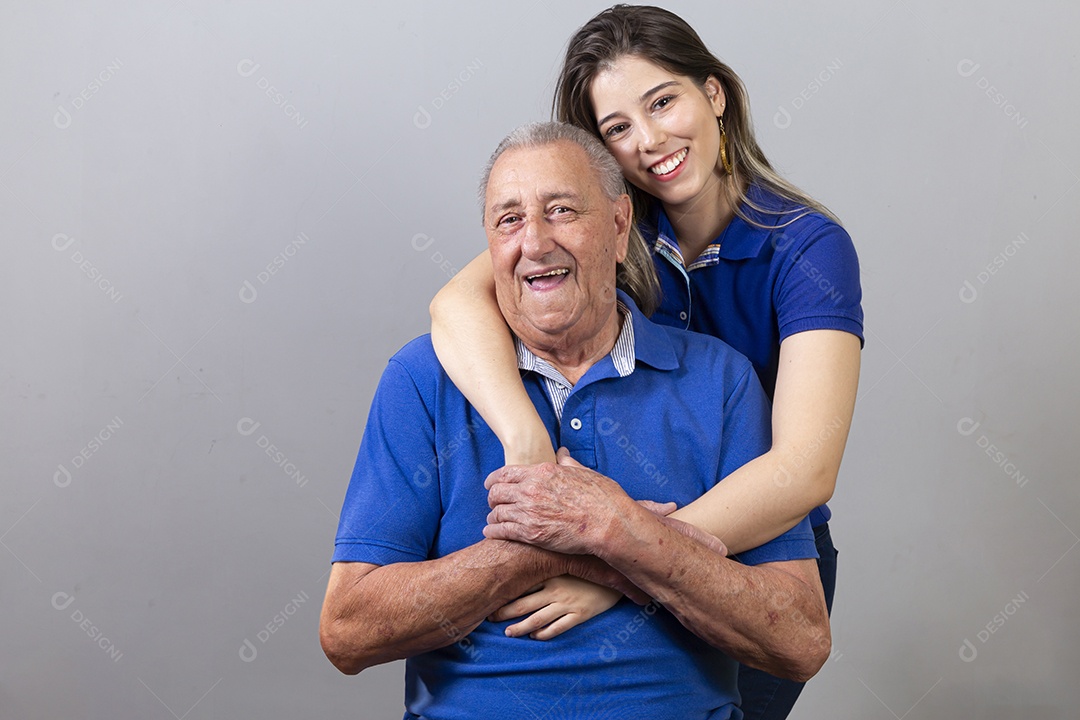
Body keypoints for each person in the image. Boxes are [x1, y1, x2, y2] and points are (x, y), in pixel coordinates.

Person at [428, 6, 863, 719]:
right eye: (618, 128)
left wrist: (623, 563)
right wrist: (526, 442)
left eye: (662, 102)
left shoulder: (805, 247)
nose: (649, 141)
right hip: (611, 530)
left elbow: (805, 469)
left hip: (754, 549)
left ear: (714, 93)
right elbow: (455, 305)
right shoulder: (609, 225)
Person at [321, 122, 830, 720]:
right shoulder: (422, 379)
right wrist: (548, 549)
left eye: (561, 210)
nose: (534, 243)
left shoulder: (720, 380)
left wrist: (617, 528)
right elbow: (348, 632)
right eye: (509, 220)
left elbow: (800, 640)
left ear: (619, 226)